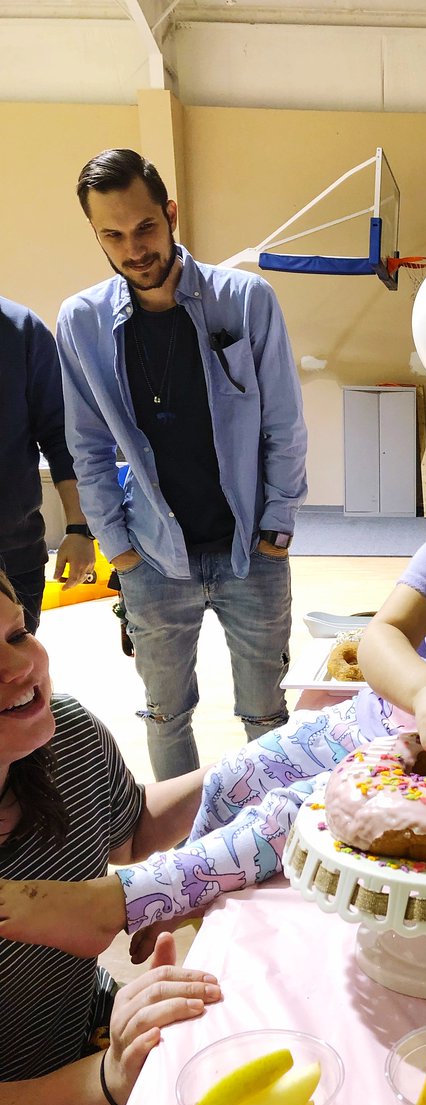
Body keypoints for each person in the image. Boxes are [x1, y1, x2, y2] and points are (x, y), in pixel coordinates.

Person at [1, 336, 426, 956]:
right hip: (368, 721)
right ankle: (185, 892)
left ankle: (123, 901)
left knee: (286, 819)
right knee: (235, 775)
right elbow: (380, 638)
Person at [57, 148, 307, 781]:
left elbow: (284, 423)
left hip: (251, 549)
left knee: (265, 716)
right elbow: (85, 445)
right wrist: (115, 545)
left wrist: (277, 525)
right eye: (111, 235)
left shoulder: (246, 300)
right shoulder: (81, 322)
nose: (133, 248)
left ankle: (265, 837)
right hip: (151, 557)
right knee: (165, 714)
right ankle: (186, 848)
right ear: (96, 236)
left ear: (170, 214)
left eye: (144, 227)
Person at [0, 569, 222, 1105]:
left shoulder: (63, 736)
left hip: (88, 1031)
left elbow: (127, 831)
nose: (19, 669)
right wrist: (112, 1079)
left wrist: (255, 771)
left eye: (16, 634)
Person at [0, 294, 95, 633]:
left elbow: (60, 435)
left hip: (15, 555)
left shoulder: (20, 328)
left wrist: (78, 528)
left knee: (18, 681)